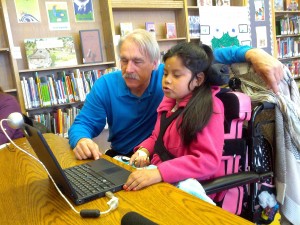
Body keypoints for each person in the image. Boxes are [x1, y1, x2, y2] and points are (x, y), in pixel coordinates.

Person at [68, 29, 283, 161]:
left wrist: (253, 53)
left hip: (161, 159)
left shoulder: (170, 77)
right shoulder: (105, 85)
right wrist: (81, 139)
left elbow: (209, 55)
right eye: (124, 60)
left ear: (154, 63)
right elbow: (82, 124)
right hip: (126, 158)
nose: (128, 68)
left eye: (137, 61)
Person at [123, 42, 224, 191]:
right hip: (163, 177)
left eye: (176, 75)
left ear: (198, 79)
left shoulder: (209, 108)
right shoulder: (168, 102)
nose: (167, 80)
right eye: (165, 74)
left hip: (192, 187)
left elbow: (207, 161)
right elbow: (156, 138)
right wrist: (143, 150)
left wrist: (159, 172)